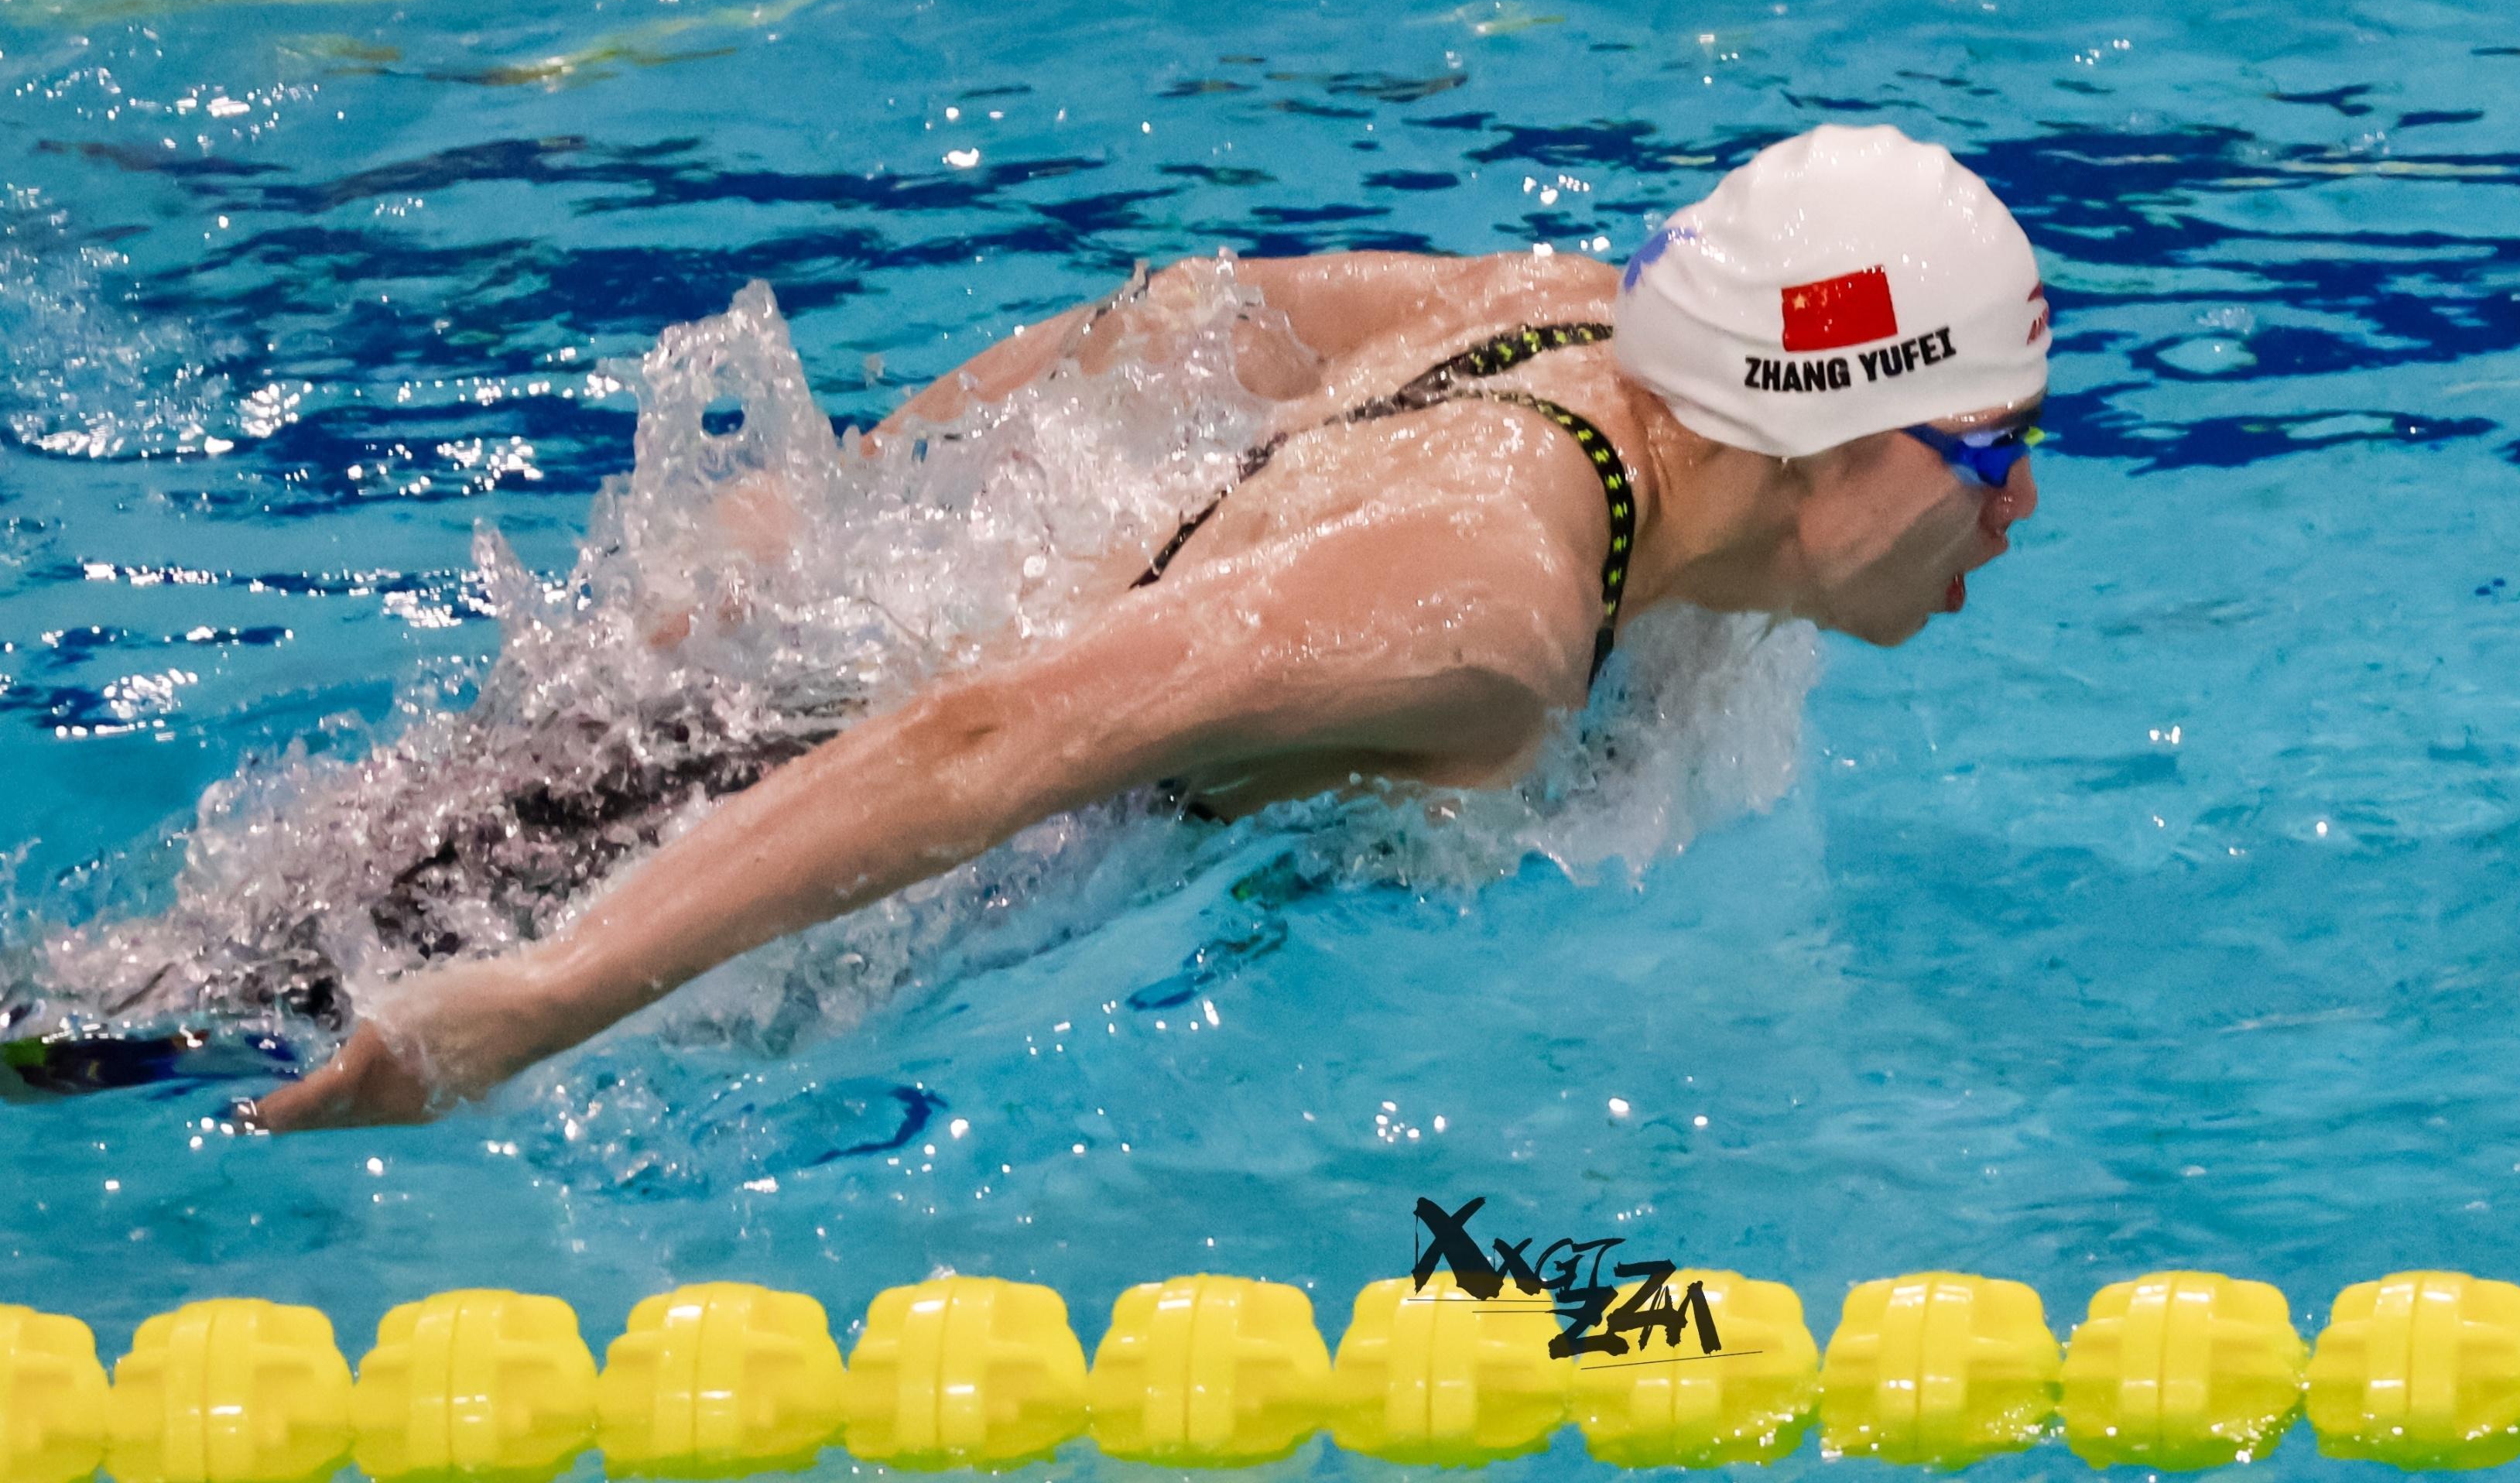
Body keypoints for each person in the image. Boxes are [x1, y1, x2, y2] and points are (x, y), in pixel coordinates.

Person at [246, 124, 2045, 1133]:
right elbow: (991, 742)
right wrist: (526, 1003)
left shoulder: (1553, 318)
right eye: (1996, 447)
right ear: (1838, 432)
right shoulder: (1489, 613)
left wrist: (842, 490)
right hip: (690, 861)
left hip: (743, 736)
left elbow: (1176, 324)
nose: (2016, 508)